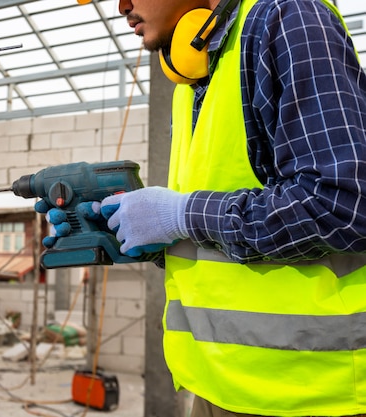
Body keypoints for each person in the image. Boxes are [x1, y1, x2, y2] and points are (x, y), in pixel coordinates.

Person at [38, 0, 366, 415]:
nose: (122, 6)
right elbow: (214, 232)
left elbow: (346, 203)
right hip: (218, 385)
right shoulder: (190, 81)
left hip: (312, 392)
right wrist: (143, 235)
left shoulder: (289, 16)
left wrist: (179, 215)